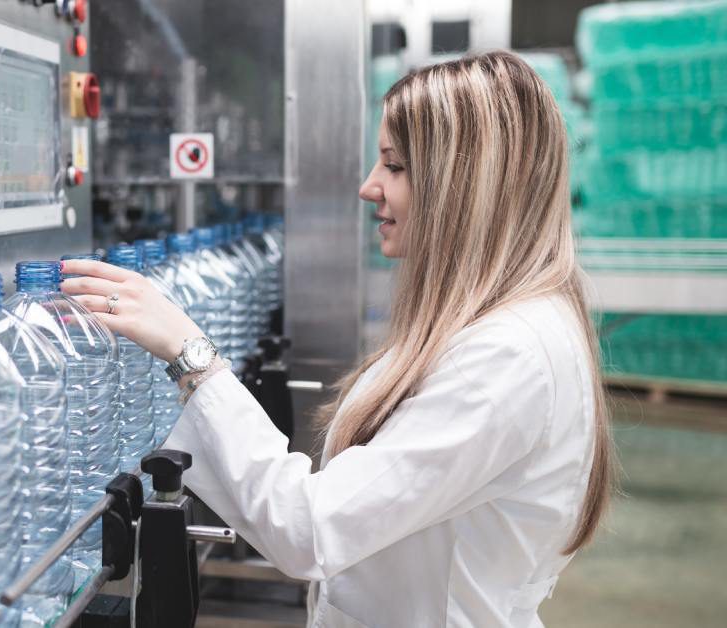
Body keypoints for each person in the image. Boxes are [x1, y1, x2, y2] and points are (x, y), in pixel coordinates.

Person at [59, 50, 615, 628]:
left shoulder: (507, 356)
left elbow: (310, 530)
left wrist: (190, 355)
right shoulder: (499, 326)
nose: (369, 187)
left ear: (465, 182)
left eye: (394, 166)